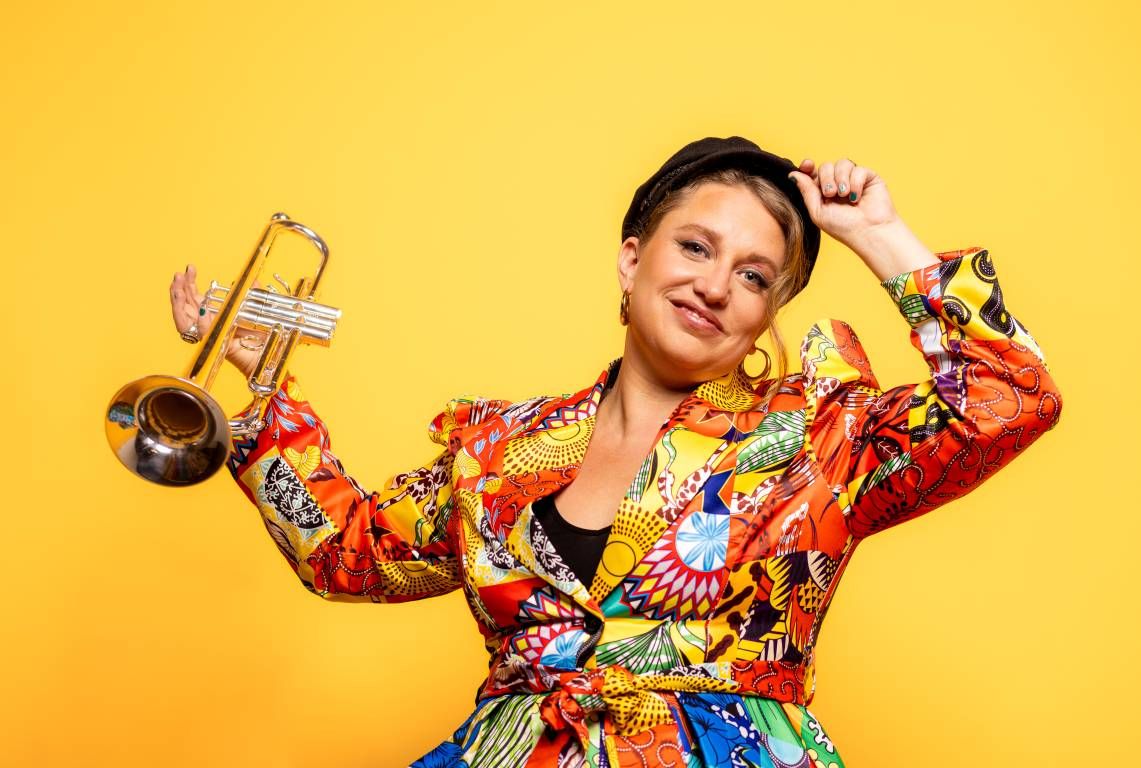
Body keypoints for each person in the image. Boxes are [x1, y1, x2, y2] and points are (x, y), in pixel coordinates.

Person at [168, 136, 1063, 766]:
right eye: (695, 246)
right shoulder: (498, 448)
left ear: (768, 312)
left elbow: (1011, 398)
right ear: (632, 260)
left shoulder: (822, 437)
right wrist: (259, 391)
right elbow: (349, 554)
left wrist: (876, 235)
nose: (714, 285)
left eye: (753, 276)